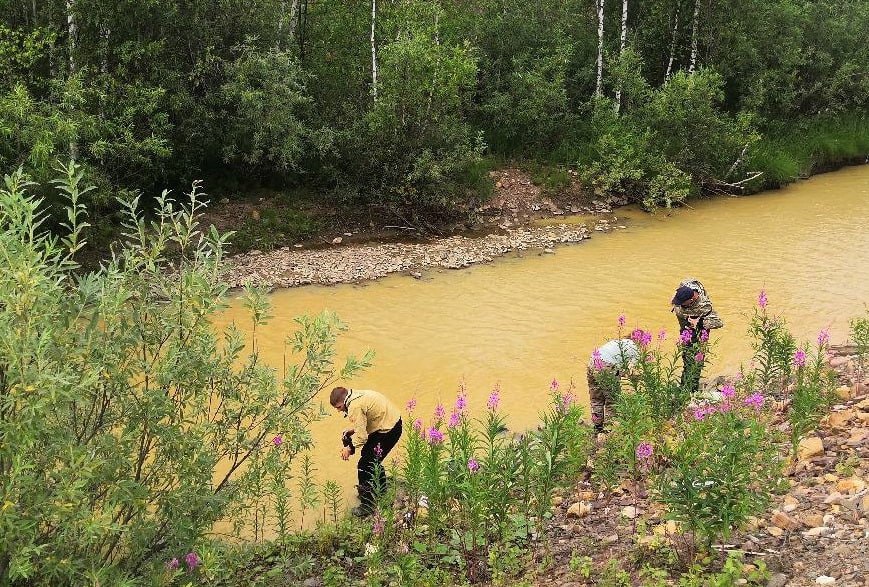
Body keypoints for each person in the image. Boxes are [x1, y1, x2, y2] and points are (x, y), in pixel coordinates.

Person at [330, 386, 402, 517]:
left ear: (344, 401)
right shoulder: (355, 395)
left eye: (339, 407)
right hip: (391, 421)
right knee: (370, 458)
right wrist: (354, 430)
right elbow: (369, 417)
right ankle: (381, 490)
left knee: (364, 465)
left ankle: (367, 505)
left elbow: (362, 437)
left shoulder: (354, 406)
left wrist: (349, 448)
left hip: (389, 429)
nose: (338, 411)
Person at [670, 278, 724, 393]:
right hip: (687, 325)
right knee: (686, 357)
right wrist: (675, 299)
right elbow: (685, 282)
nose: (677, 304)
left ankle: (692, 390)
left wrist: (699, 322)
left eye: (681, 303)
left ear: (691, 300)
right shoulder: (685, 286)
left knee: (697, 361)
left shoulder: (704, 306)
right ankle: (684, 388)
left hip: (699, 329)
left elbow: (718, 322)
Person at [587, 338, 641, 432]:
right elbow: (632, 371)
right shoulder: (634, 348)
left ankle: (597, 428)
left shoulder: (618, 342)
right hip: (606, 366)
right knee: (612, 400)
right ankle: (609, 429)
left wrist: (620, 374)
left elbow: (618, 369)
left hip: (592, 362)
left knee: (596, 399)